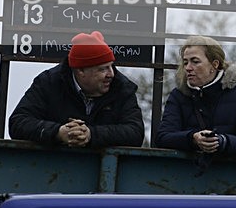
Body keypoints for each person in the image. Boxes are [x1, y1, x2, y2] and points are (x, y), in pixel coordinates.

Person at [8, 30, 145, 148]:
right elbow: (18, 122)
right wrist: (58, 132)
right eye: (102, 69)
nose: (111, 74)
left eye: (111, 66)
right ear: (80, 71)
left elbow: (135, 132)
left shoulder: (122, 88)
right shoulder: (48, 83)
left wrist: (91, 134)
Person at [155, 35, 236, 157]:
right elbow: (162, 138)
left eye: (195, 62)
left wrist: (223, 142)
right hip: (187, 168)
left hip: (228, 168)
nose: (188, 68)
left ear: (215, 64)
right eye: (185, 62)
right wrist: (192, 138)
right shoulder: (178, 96)